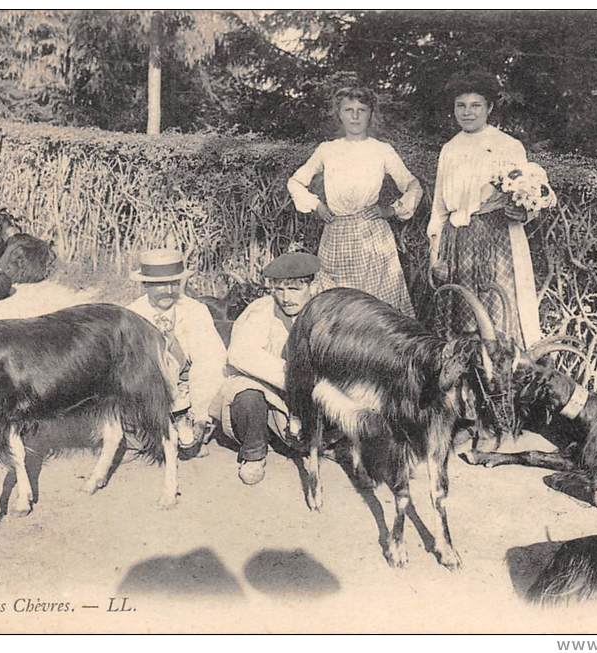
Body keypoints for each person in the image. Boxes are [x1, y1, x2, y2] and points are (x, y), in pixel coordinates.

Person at [428, 71, 542, 348]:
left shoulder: (508, 146)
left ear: (489, 108)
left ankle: (501, 380)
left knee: (498, 312)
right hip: (458, 243)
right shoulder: (449, 149)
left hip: (497, 240)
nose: (467, 113)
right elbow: (439, 209)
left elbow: (526, 196)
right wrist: (435, 256)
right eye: (461, 106)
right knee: (462, 316)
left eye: (475, 105)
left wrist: (524, 211)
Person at [287, 86, 423, 317]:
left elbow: (413, 185)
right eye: (349, 110)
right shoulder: (327, 150)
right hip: (337, 233)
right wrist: (317, 205)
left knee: (377, 307)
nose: (355, 116)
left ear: (371, 114)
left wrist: (391, 210)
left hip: (372, 236)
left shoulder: (381, 150)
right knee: (338, 305)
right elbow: (296, 182)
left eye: (362, 110)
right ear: (339, 114)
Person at [215, 252, 320, 485]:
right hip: (269, 386)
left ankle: (328, 443)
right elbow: (242, 353)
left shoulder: (322, 310)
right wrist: (293, 378)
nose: (286, 298)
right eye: (279, 290)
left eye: (294, 289)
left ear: (313, 286)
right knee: (247, 396)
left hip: (309, 393)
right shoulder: (262, 310)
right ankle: (254, 453)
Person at [127, 249, 227, 451]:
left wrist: (200, 413)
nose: (168, 290)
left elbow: (210, 358)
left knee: (214, 366)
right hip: (153, 388)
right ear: (145, 285)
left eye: (174, 283)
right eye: (159, 285)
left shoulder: (195, 310)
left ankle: (195, 425)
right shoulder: (132, 315)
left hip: (190, 387)